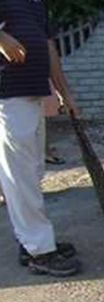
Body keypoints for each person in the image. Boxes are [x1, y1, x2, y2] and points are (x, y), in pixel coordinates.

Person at [0, 2, 81, 276]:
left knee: (32, 171)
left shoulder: (36, 3)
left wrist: (64, 92)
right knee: (20, 175)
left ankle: (31, 242)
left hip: (32, 92)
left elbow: (48, 47)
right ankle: (40, 251)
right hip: (6, 93)